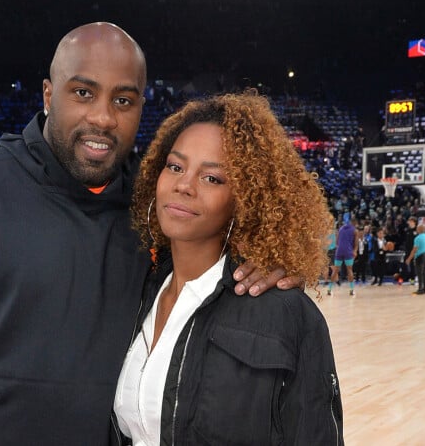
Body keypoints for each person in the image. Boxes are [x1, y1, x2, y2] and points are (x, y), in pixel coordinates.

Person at [0, 22, 298, 445]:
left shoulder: (154, 219)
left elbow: (215, 263)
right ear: (49, 95)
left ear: (141, 109)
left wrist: (265, 259)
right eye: (84, 93)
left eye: (124, 100)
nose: (103, 118)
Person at [113, 92, 343, 445]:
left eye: (212, 179)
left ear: (246, 201)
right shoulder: (136, 291)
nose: (184, 185)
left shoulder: (286, 313)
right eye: (175, 167)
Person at [328, 217, 358, 296]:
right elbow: (356, 243)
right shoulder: (354, 230)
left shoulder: (340, 229)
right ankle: (351, 290)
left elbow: (337, 242)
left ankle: (329, 289)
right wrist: (354, 251)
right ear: (354, 223)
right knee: (349, 270)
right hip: (348, 251)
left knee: (335, 270)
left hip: (339, 251)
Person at [404, 223, 425, 295]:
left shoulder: (417, 238)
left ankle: (420, 289)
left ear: (419, 229)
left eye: (417, 228)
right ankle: (424, 289)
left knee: (419, 273)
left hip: (420, 256)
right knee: (424, 273)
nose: (416, 229)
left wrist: (409, 259)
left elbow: (414, 250)